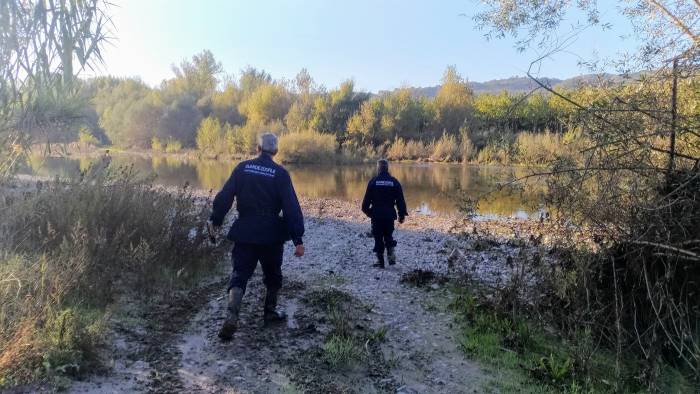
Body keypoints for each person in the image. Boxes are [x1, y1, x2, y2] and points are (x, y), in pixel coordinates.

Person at [209, 133, 305, 341]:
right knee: (273, 275)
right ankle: (270, 313)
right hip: (271, 234)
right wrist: (298, 239)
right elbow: (291, 207)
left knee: (240, 273)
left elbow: (225, 196)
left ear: (257, 149)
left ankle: (231, 316)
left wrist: (215, 220)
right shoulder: (280, 174)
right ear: (276, 152)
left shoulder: (242, 168)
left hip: (245, 230)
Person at [361, 159, 407, 269]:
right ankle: (391, 256)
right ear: (387, 168)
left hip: (376, 215)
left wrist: (370, 213)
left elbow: (364, 205)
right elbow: (400, 200)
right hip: (389, 215)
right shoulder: (394, 182)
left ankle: (380, 262)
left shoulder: (373, 181)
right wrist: (401, 215)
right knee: (388, 235)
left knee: (378, 237)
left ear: (378, 169)